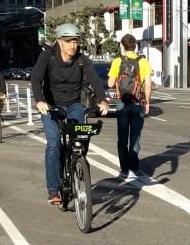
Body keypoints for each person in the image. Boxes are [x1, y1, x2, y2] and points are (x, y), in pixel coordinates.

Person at [30, 23, 110, 205]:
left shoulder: (82, 59)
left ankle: (77, 162)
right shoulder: (47, 56)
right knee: (53, 144)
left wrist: (103, 100)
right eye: (68, 41)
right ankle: (52, 189)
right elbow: (36, 78)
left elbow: (95, 80)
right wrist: (40, 100)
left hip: (74, 104)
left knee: (81, 136)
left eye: (75, 41)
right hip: (51, 106)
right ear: (59, 42)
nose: (72, 45)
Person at [107, 34, 152, 179]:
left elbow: (109, 83)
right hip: (138, 103)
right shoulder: (144, 62)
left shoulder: (117, 61)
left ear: (123, 46)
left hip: (122, 104)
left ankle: (124, 170)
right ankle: (134, 168)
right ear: (135, 46)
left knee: (122, 138)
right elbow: (148, 85)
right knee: (135, 137)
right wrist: (147, 102)